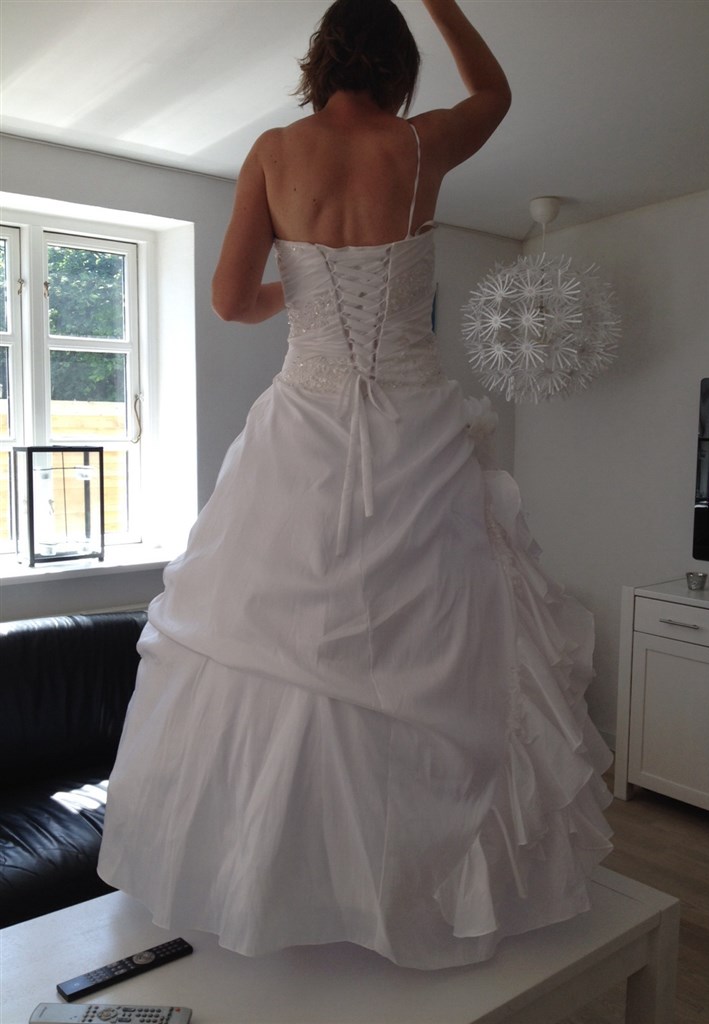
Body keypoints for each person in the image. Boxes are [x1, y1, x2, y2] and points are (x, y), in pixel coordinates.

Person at [98, 0, 613, 970]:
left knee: (279, 642)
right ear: (396, 67)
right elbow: (496, 94)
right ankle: (421, 883)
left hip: (305, 419)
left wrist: (301, 291)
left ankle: (282, 883)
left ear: (321, 60)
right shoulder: (416, 147)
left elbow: (228, 300)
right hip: (412, 427)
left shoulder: (272, 152)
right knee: (435, 638)